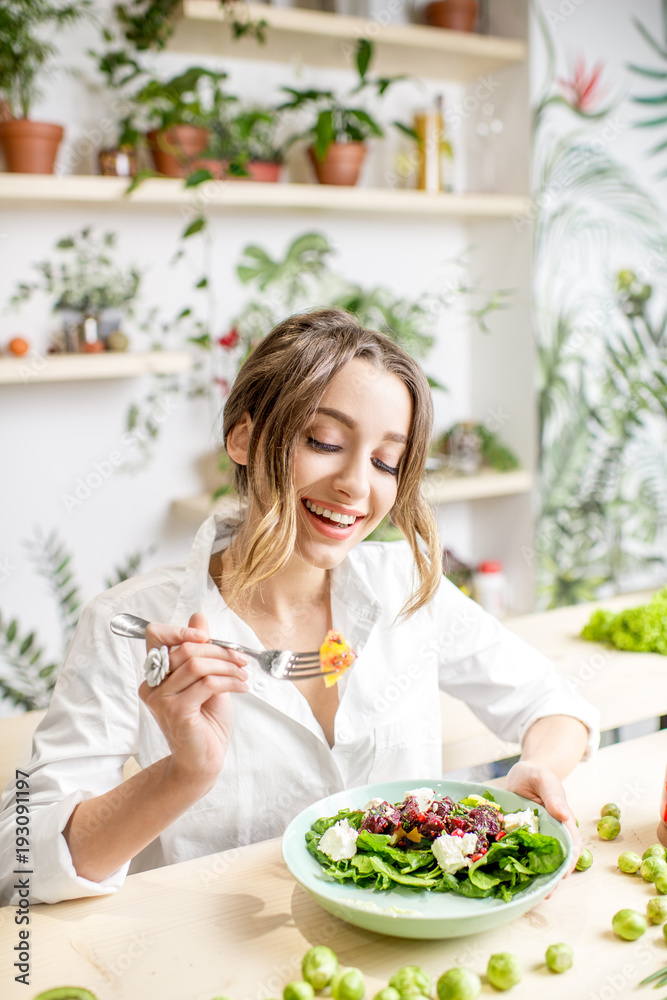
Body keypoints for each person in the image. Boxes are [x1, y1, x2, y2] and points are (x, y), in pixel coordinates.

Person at [0, 309, 599, 905]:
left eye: (386, 461)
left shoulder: (407, 587)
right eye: (325, 442)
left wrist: (537, 769)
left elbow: (553, 705)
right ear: (242, 437)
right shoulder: (130, 625)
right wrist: (182, 774)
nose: (357, 487)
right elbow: (20, 863)